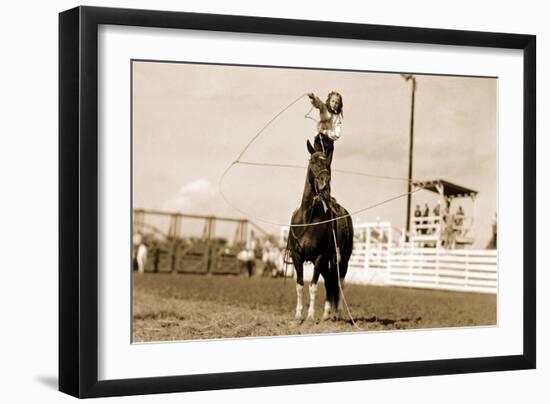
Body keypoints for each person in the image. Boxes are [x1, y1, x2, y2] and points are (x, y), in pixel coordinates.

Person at [307, 91, 344, 171]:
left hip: (329, 144)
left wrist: (325, 132)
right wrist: (313, 98)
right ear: (329, 101)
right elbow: (319, 104)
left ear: (339, 105)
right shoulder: (324, 109)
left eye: (337, 103)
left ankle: (326, 182)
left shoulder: (337, 119)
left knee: (326, 166)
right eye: (333, 101)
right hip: (319, 141)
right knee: (317, 162)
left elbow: (337, 134)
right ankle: (311, 181)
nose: (334, 104)